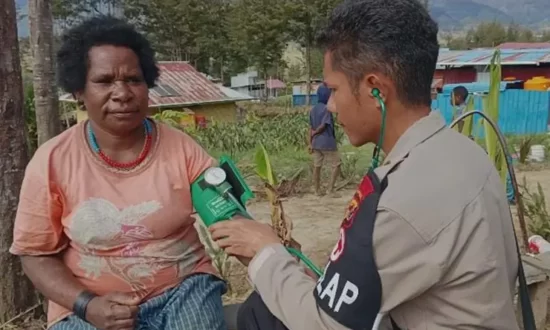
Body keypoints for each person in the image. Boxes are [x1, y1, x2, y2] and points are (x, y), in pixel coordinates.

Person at [208, 0, 520, 329]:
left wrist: (264, 252)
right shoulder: (462, 152)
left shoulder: (403, 199)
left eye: (334, 89)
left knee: (260, 314)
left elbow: (325, 324)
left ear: (377, 90)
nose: (329, 106)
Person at [10, 16, 227, 330]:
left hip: (183, 289)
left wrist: (273, 258)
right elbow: (34, 255)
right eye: (104, 80)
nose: (122, 93)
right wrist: (88, 305)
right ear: (77, 92)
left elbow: (225, 213)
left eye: (133, 80)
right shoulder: (52, 161)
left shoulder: (182, 150)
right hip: (88, 304)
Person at [308, 83, 342, 196]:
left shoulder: (313, 110)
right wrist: (316, 132)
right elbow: (323, 125)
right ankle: (330, 189)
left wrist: (310, 141)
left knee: (317, 166)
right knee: (336, 164)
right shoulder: (327, 109)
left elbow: (310, 128)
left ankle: (316, 190)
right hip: (327, 141)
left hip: (316, 143)